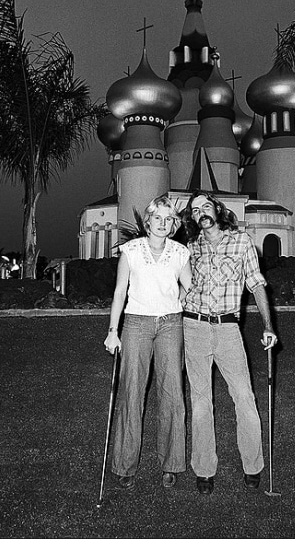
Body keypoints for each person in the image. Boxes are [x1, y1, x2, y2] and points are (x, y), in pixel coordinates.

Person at [181, 191, 277, 495]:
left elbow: (256, 283)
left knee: (245, 399)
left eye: (205, 207)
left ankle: (252, 465)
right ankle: (204, 469)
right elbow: (180, 288)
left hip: (228, 328)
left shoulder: (241, 241)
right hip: (193, 325)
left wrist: (268, 326)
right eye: (195, 210)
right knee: (200, 402)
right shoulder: (190, 248)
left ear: (217, 210)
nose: (200, 213)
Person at [104, 194, 191, 490]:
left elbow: (189, 287)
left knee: (172, 393)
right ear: (148, 219)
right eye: (158, 218)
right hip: (136, 324)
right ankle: (124, 464)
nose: (163, 224)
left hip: (170, 324)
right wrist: (113, 330)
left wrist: (180, 299)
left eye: (169, 219)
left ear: (174, 224)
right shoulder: (130, 250)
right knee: (131, 392)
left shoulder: (180, 252)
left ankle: (172, 463)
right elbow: (119, 292)